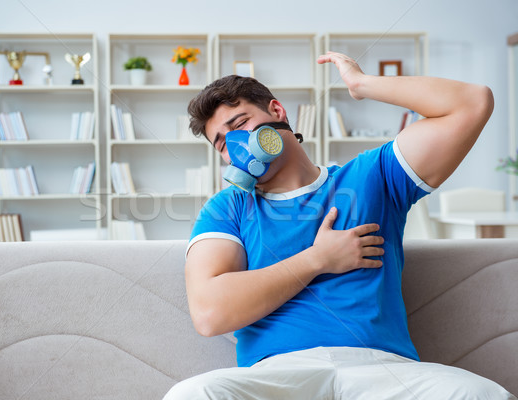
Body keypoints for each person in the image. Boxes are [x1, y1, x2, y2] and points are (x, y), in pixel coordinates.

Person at [163, 52, 515, 399]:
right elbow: (209, 314)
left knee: (481, 393)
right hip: (279, 376)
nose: (236, 146)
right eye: (222, 143)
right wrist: (317, 259)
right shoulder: (228, 208)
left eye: (240, 124)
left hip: (383, 371)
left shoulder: (371, 177)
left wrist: (362, 84)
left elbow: (472, 103)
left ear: (277, 111)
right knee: (192, 394)